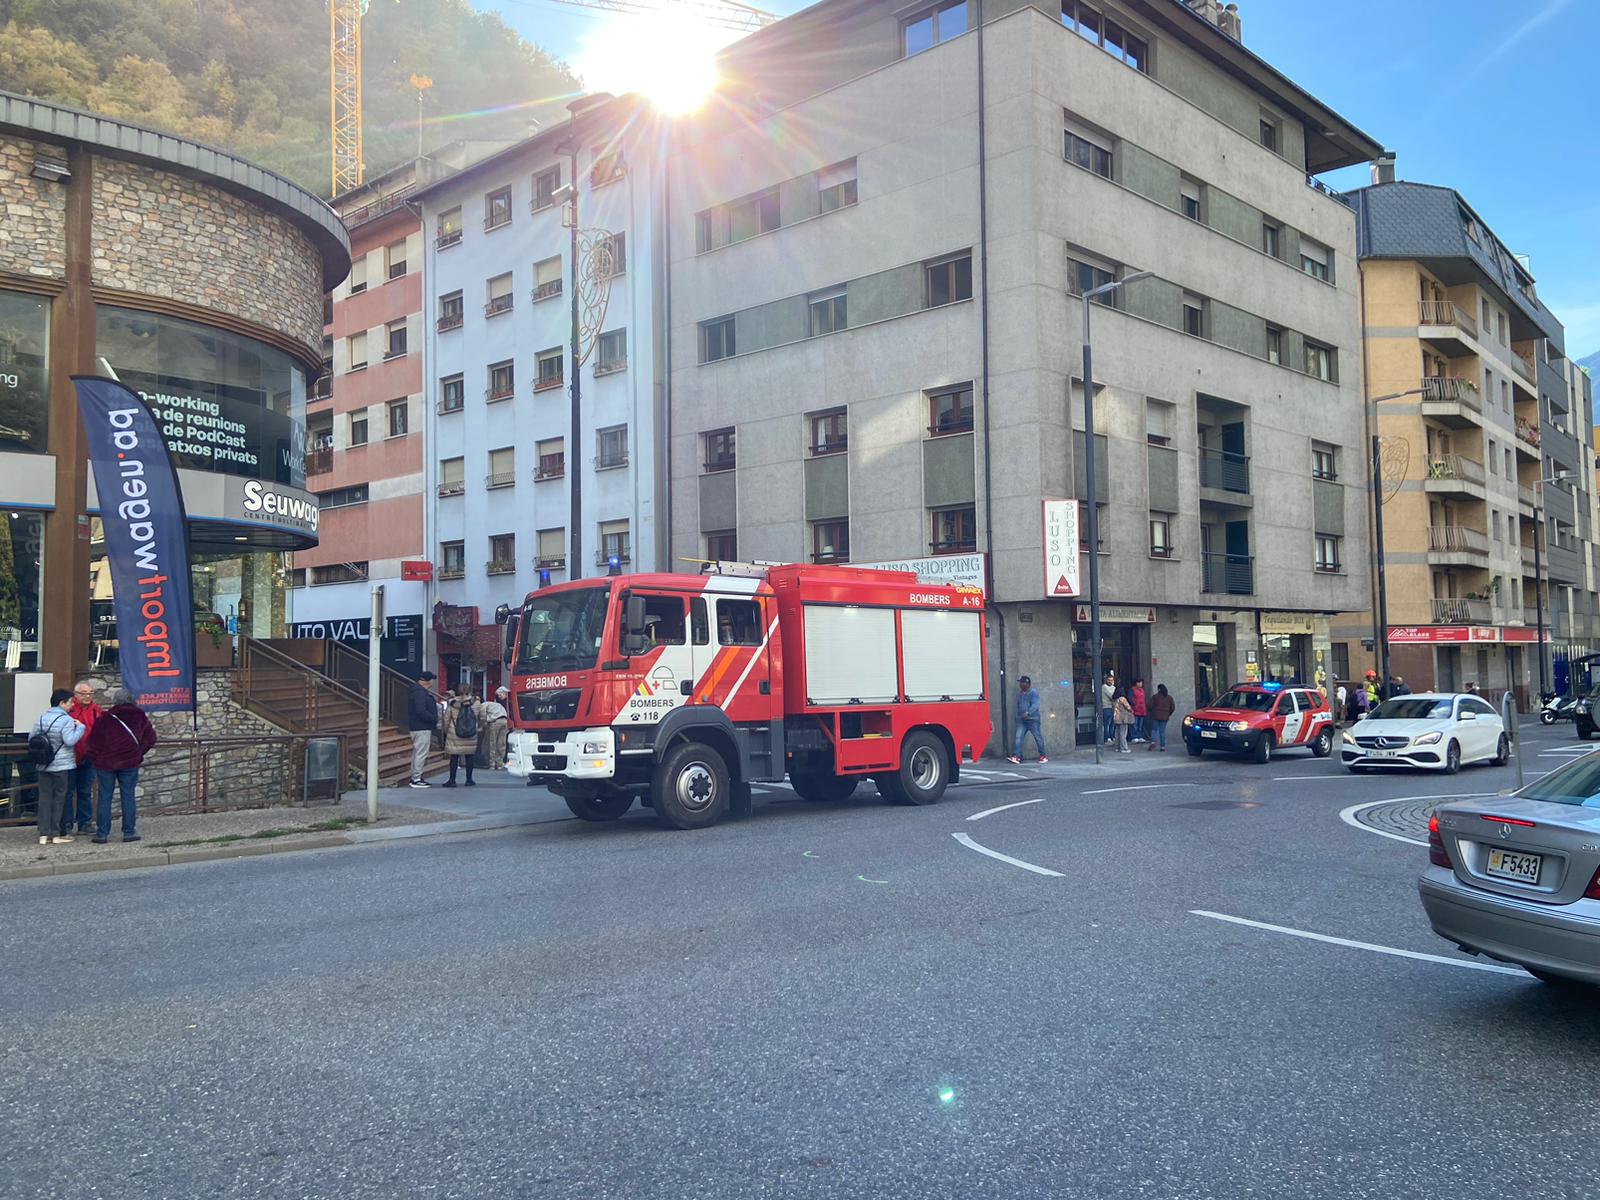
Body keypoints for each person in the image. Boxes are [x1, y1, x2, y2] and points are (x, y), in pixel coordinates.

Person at [81, 688, 157, 844]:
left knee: (104, 797)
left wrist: (96, 758)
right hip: (129, 763)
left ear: (115, 701)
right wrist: (138, 753)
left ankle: (102, 833)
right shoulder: (139, 717)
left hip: (106, 764)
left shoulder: (105, 718)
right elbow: (151, 738)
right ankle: (129, 832)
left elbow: (92, 743)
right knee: (128, 796)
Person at [31, 688, 84, 845]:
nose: (72, 705)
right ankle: (55, 834)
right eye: (70, 702)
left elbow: (32, 738)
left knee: (44, 799)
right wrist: (80, 728)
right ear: (62, 703)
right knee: (59, 799)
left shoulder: (41, 718)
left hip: (43, 764)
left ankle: (43, 834)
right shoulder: (66, 720)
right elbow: (69, 740)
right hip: (61, 765)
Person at [66, 680, 102, 836]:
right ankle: (66, 824)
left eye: (90, 693)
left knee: (85, 791)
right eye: (84, 693)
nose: (88, 696)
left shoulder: (96, 711)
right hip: (70, 756)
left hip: (89, 756)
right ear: (76, 695)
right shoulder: (68, 709)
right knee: (67, 792)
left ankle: (84, 823)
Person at [406, 670, 439, 789]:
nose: (432, 682)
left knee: (417, 752)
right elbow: (421, 711)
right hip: (422, 727)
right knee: (421, 753)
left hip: (417, 726)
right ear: (427, 681)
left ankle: (415, 777)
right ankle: (416, 778)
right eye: (431, 680)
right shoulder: (420, 693)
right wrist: (432, 719)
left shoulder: (416, 692)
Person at [442, 689, 482, 787]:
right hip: (471, 734)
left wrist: (447, 730)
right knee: (469, 757)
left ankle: (452, 780)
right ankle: (469, 779)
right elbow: (482, 716)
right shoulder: (476, 702)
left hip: (454, 734)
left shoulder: (452, 704)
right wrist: (478, 727)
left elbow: (446, 719)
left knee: (454, 757)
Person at [1007, 675, 1047, 764]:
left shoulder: (1033, 693)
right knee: (1018, 737)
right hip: (1022, 720)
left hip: (1033, 720)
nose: (1020, 685)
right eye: (1020, 683)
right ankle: (1016, 756)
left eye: (1022, 683)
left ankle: (1043, 756)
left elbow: (1035, 705)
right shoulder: (1020, 694)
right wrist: (1017, 717)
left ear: (1027, 684)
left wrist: (1028, 713)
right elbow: (1018, 706)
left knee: (1037, 737)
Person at [479, 687, 510, 769]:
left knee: (492, 743)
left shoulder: (483, 705)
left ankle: (491, 764)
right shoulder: (496, 704)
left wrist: (483, 723)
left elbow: (482, 715)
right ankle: (499, 763)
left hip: (495, 722)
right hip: (505, 721)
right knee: (501, 744)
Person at [1146, 683, 1175, 751]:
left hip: (1155, 716)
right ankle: (1162, 746)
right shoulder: (1169, 698)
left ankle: (1153, 742)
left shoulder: (1155, 697)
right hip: (1165, 717)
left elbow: (1149, 705)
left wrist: (1151, 711)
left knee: (1154, 730)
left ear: (1159, 689)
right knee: (1162, 731)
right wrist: (1168, 714)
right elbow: (1172, 707)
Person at [1112, 688, 1135, 753]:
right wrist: (1131, 711)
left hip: (1116, 717)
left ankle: (1117, 747)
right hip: (1123, 718)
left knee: (1117, 733)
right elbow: (1128, 707)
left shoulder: (1114, 699)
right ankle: (1124, 748)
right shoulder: (1122, 699)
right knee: (1123, 733)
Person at [1101, 671, 1117, 745]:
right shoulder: (1104, 687)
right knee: (1107, 723)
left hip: (1113, 707)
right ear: (1106, 680)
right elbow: (1112, 696)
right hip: (1106, 707)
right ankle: (1107, 738)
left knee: (1113, 724)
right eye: (1109, 680)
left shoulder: (1114, 687)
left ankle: (1112, 737)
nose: (1110, 681)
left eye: (1112, 680)